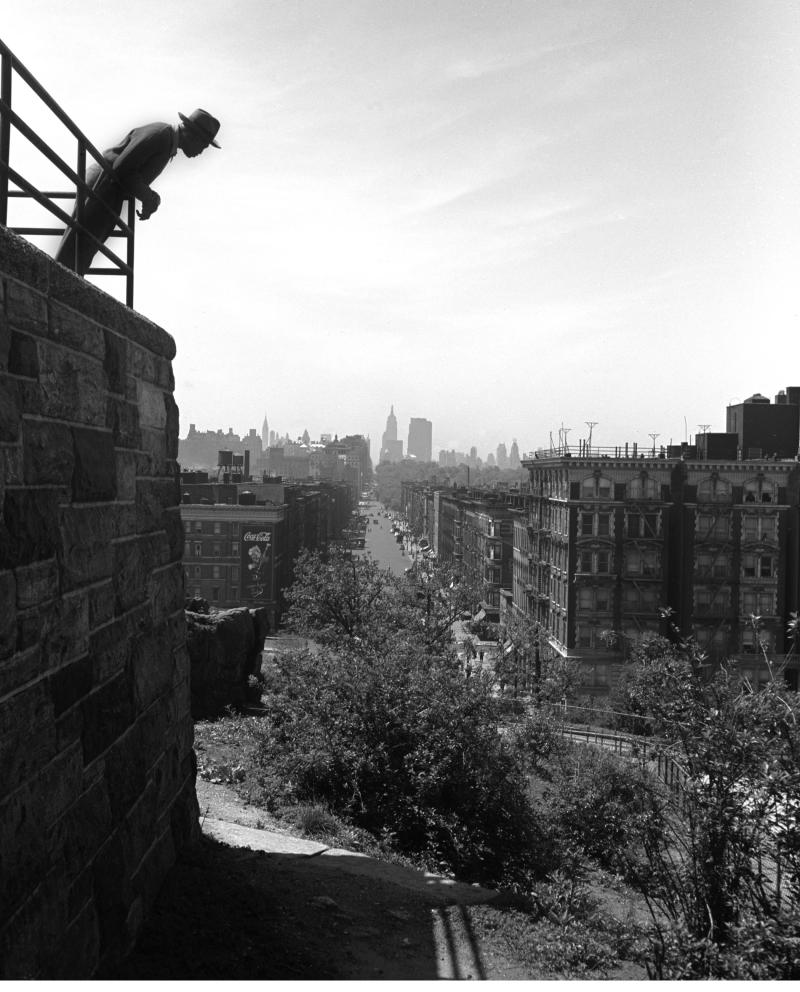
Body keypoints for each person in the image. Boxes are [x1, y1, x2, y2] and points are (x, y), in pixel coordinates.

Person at [55, 108, 221, 275]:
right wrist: (148, 197)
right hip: (103, 185)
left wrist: (149, 196)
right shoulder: (162, 135)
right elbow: (123, 168)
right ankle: (56, 285)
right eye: (203, 146)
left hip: (109, 189)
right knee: (78, 245)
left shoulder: (166, 138)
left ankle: (61, 286)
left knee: (84, 248)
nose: (201, 152)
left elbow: (129, 171)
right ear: (192, 135)